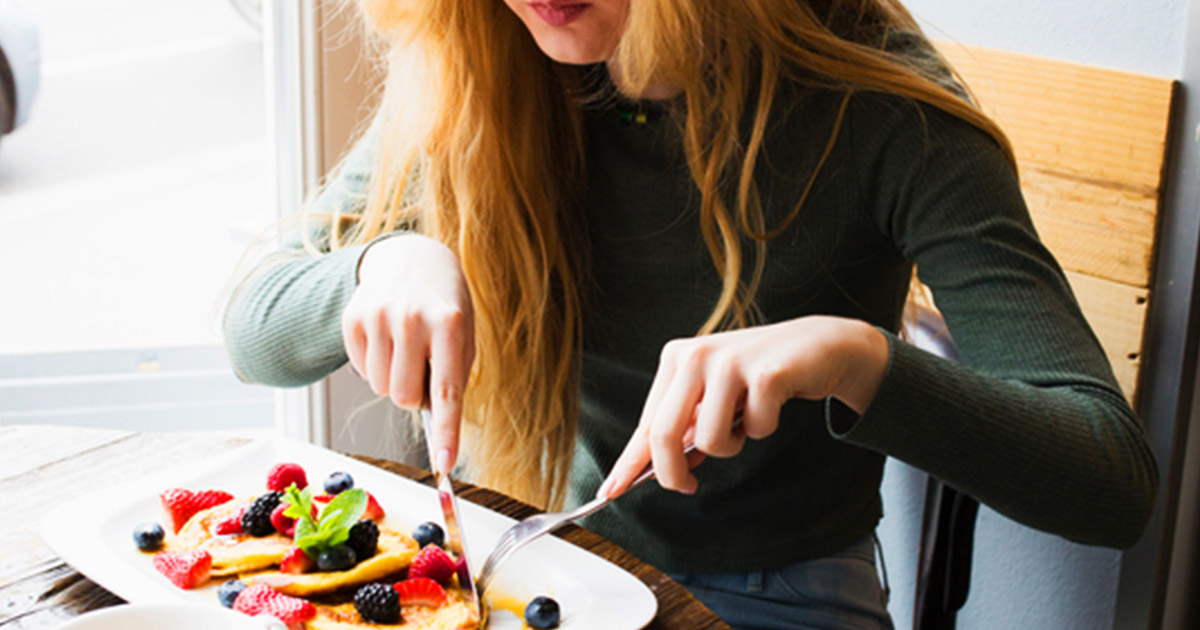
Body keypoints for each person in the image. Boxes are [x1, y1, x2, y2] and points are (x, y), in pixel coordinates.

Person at [223, 0, 1159, 628]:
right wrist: (376, 266)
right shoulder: (483, 57)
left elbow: (1110, 480)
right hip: (529, 563)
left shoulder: (886, 111)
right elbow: (253, 328)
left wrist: (856, 360)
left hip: (775, 596)